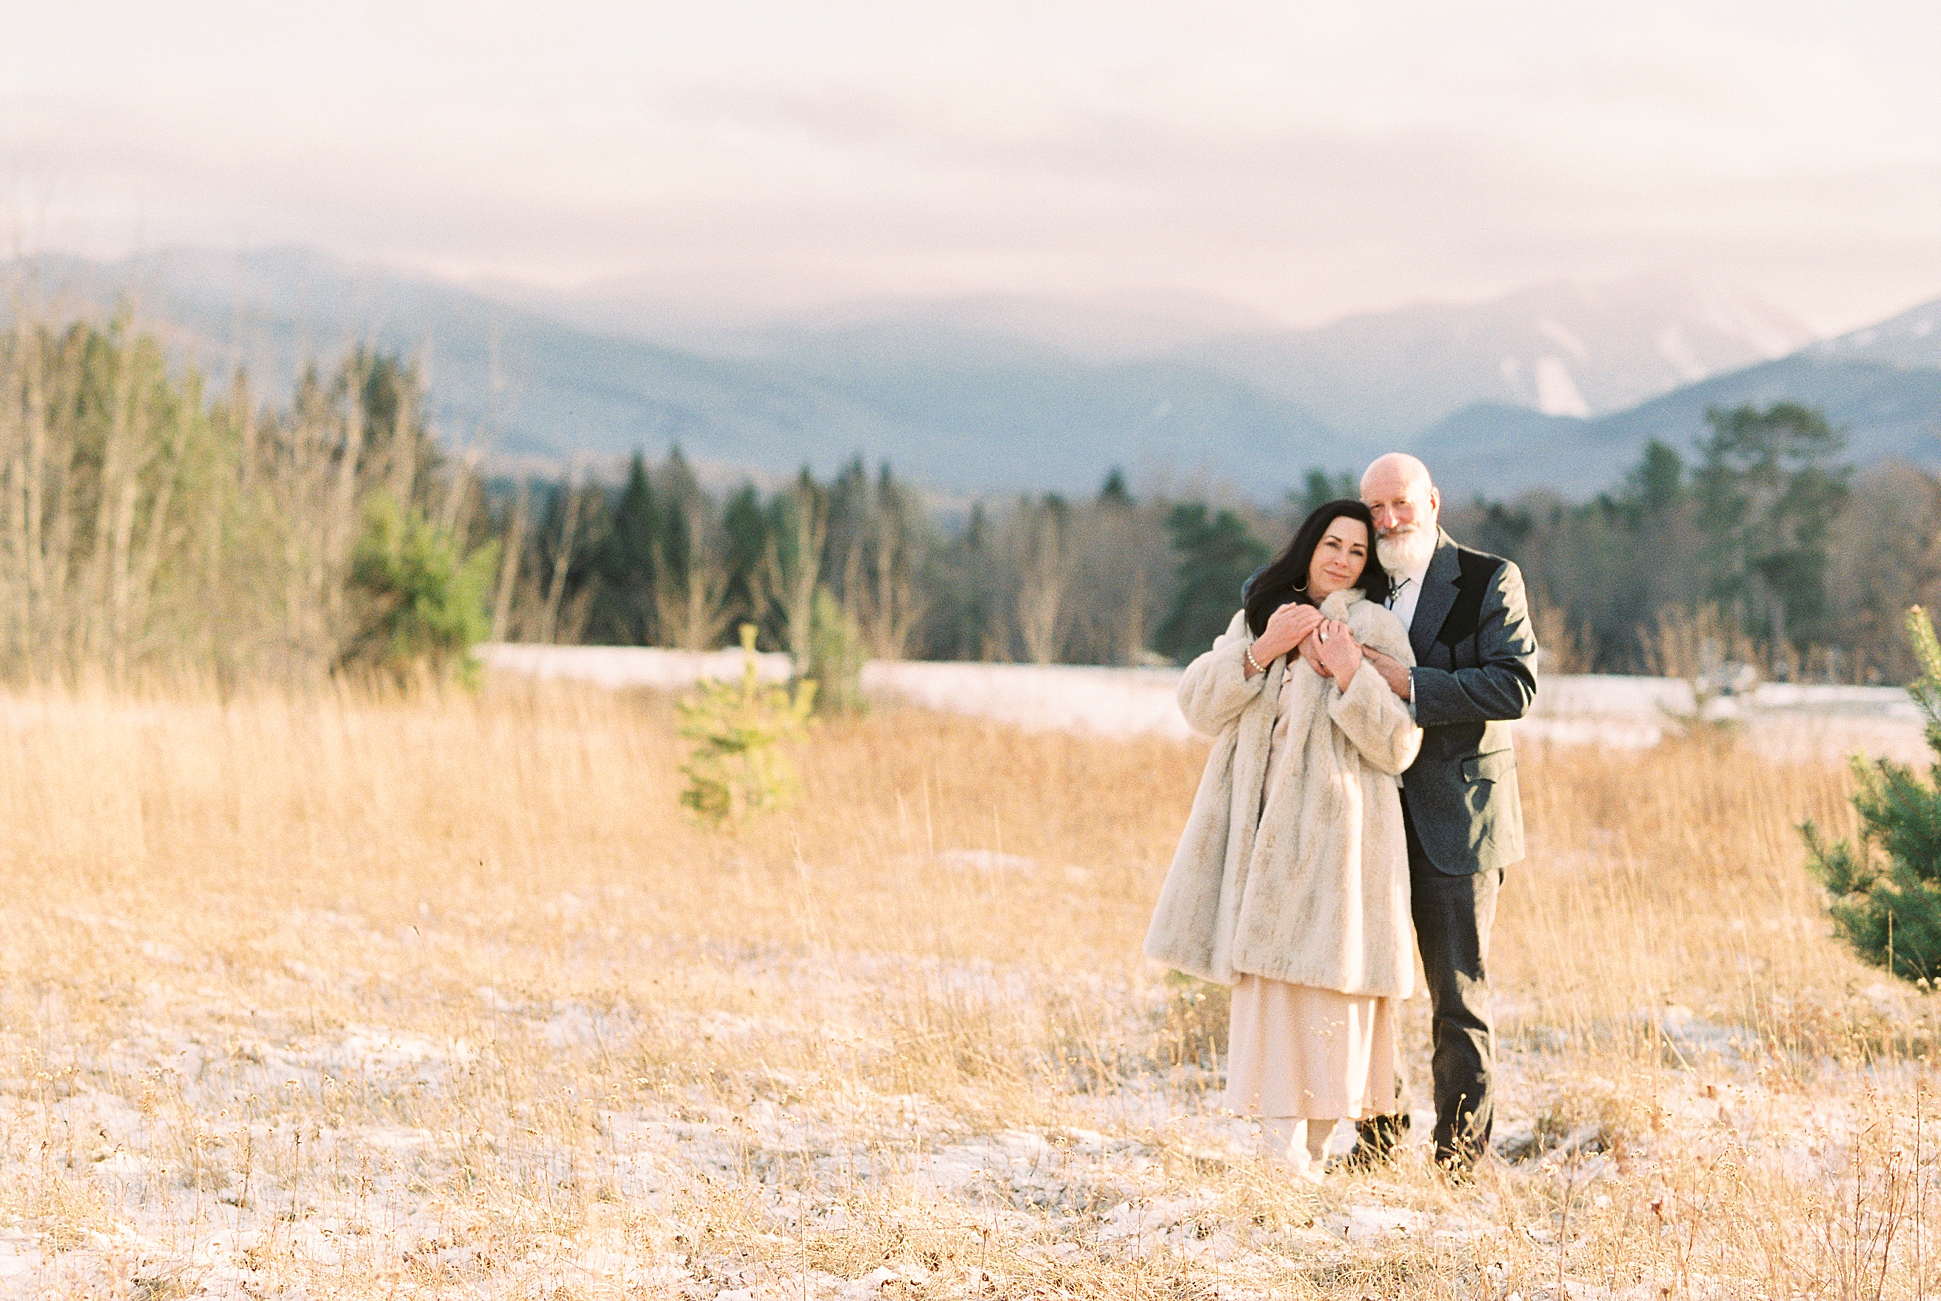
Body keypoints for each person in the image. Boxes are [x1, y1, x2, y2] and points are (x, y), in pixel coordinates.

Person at [1144, 500, 1422, 1181]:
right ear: (1307, 545)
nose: (1340, 559)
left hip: (1340, 843)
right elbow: (1197, 707)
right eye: (1331, 543)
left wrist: (1349, 670)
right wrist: (1263, 647)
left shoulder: (1375, 625)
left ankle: (1316, 1153)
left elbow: (1400, 743)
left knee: (1330, 990)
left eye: (1356, 551)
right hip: (1260, 838)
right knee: (1269, 987)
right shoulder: (1261, 614)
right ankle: (1278, 1155)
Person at [1345, 452, 1539, 1174]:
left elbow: (1514, 685)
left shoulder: (1489, 579)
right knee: (1372, 992)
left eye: (1400, 502)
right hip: (1370, 823)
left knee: (1457, 1000)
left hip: (1460, 821)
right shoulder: (1359, 581)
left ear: (1432, 499)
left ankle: (1458, 1163)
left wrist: (1411, 683)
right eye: (1374, 508)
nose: (1389, 519)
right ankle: (1372, 1144)